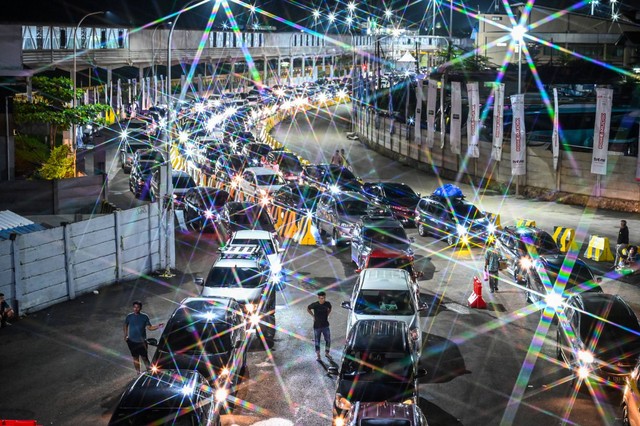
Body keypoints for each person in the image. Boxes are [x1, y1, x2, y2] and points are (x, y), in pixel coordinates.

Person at [124, 301, 164, 375]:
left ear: (140, 308)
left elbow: (150, 328)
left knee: (145, 358)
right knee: (135, 358)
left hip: (142, 342)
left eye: (137, 307)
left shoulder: (144, 317)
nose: (136, 309)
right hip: (132, 342)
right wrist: (125, 335)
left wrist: (158, 326)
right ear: (133, 307)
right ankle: (138, 374)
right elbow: (126, 325)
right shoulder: (129, 316)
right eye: (134, 307)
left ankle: (151, 373)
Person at [307, 291, 332, 361]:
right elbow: (308, 308)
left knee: (328, 340)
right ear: (318, 298)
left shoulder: (327, 304)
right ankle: (318, 355)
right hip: (317, 326)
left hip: (325, 325)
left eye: (324, 298)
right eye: (321, 298)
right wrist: (313, 316)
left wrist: (327, 314)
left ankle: (327, 353)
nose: (323, 299)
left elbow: (330, 308)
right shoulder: (315, 305)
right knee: (317, 341)